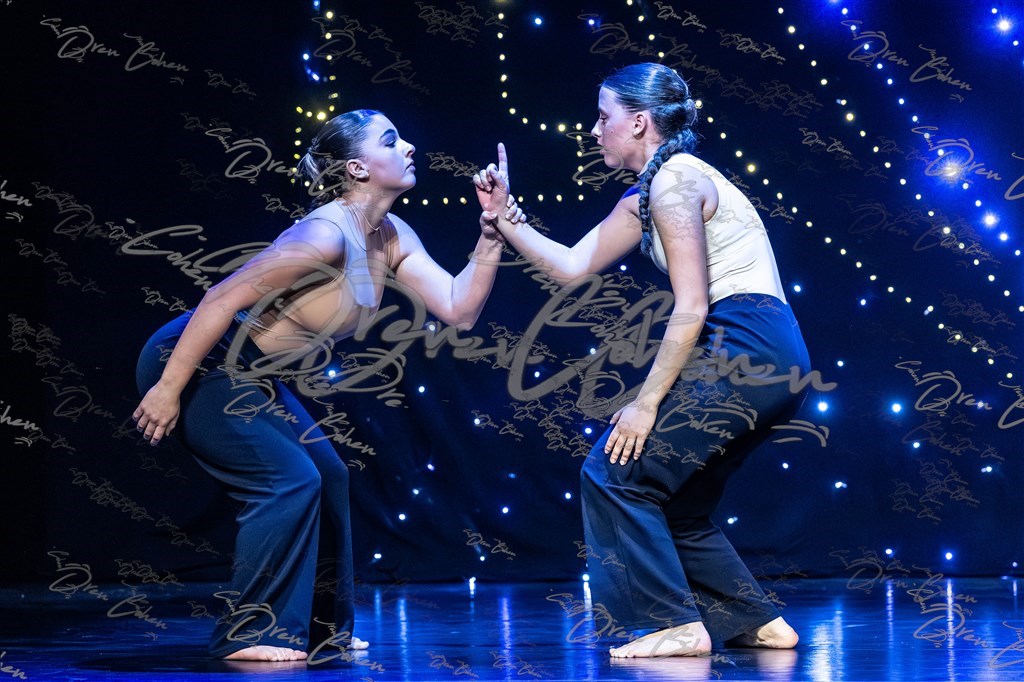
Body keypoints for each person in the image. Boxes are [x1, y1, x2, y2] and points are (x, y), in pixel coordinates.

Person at [133, 109, 521, 662]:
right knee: (288, 481)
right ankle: (250, 632)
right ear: (358, 168)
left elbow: (459, 310)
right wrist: (168, 388)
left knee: (329, 475)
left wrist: (491, 233)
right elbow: (220, 298)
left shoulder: (391, 235)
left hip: (252, 373)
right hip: (200, 361)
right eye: (391, 140)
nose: (409, 146)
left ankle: (322, 631)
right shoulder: (323, 235)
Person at [473, 63, 810, 657]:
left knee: (614, 473)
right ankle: (755, 621)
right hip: (769, 348)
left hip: (744, 340)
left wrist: (645, 402)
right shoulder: (650, 192)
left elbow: (692, 304)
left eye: (603, 117)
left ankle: (672, 624)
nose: (593, 129)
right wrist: (504, 217)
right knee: (675, 500)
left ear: (638, 122)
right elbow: (571, 266)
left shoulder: (674, 183)